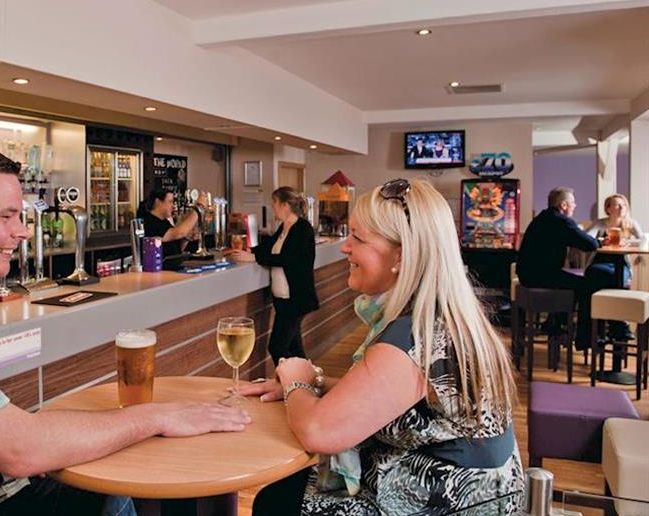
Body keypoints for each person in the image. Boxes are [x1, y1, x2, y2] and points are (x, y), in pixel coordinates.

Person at [0, 140, 250, 516]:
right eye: (7, 216)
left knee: (112, 492)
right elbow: (16, 446)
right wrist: (158, 417)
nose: (22, 231)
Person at [244, 178, 523, 515]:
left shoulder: (414, 336)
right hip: (479, 493)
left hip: (448, 502)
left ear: (400, 256)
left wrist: (297, 380)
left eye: (358, 238)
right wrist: (314, 385)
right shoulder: (438, 314)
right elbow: (400, 400)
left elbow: (318, 433)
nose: (345, 247)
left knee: (275, 503)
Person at [231, 187, 319, 365]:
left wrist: (254, 257)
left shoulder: (302, 228)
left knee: (277, 347)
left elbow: (288, 259)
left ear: (285, 205)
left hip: (296, 299)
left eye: (275, 204)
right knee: (294, 348)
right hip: (283, 300)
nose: (273, 208)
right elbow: (268, 247)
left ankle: (290, 384)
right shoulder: (283, 228)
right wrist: (249, 251)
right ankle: (307, 382)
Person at [517, 187, 599, 349]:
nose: (575, 206)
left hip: (527, 276)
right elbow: (591, 244)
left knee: (572, 281)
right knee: (588, 285)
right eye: (573, 203)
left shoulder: (542, 217)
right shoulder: (562, 221)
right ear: (563, 205)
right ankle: (583, 338)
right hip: (542, 277)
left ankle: (556, 324)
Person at [584, 193, 645, 340]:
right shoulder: (601, 223)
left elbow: (642, 240)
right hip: (600, 261)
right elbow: (587, 237)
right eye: (617, 205)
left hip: (620, 263)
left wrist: (628, 242)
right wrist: (602, 240)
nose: (621, 208)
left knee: (613, 277)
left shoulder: (630, 223)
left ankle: (607, 327)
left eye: (623, 205)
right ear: (608, 208)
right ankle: (616, 326)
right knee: (595, 274)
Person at [140, 188, 203, 259]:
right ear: (158, 202)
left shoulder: (164, 222)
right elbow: (179, 233)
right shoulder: (149, 222)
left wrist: (186, 238)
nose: (173, 206)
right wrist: (198, 208)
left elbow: (175, 251)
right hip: (158, 268)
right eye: (170, 202)